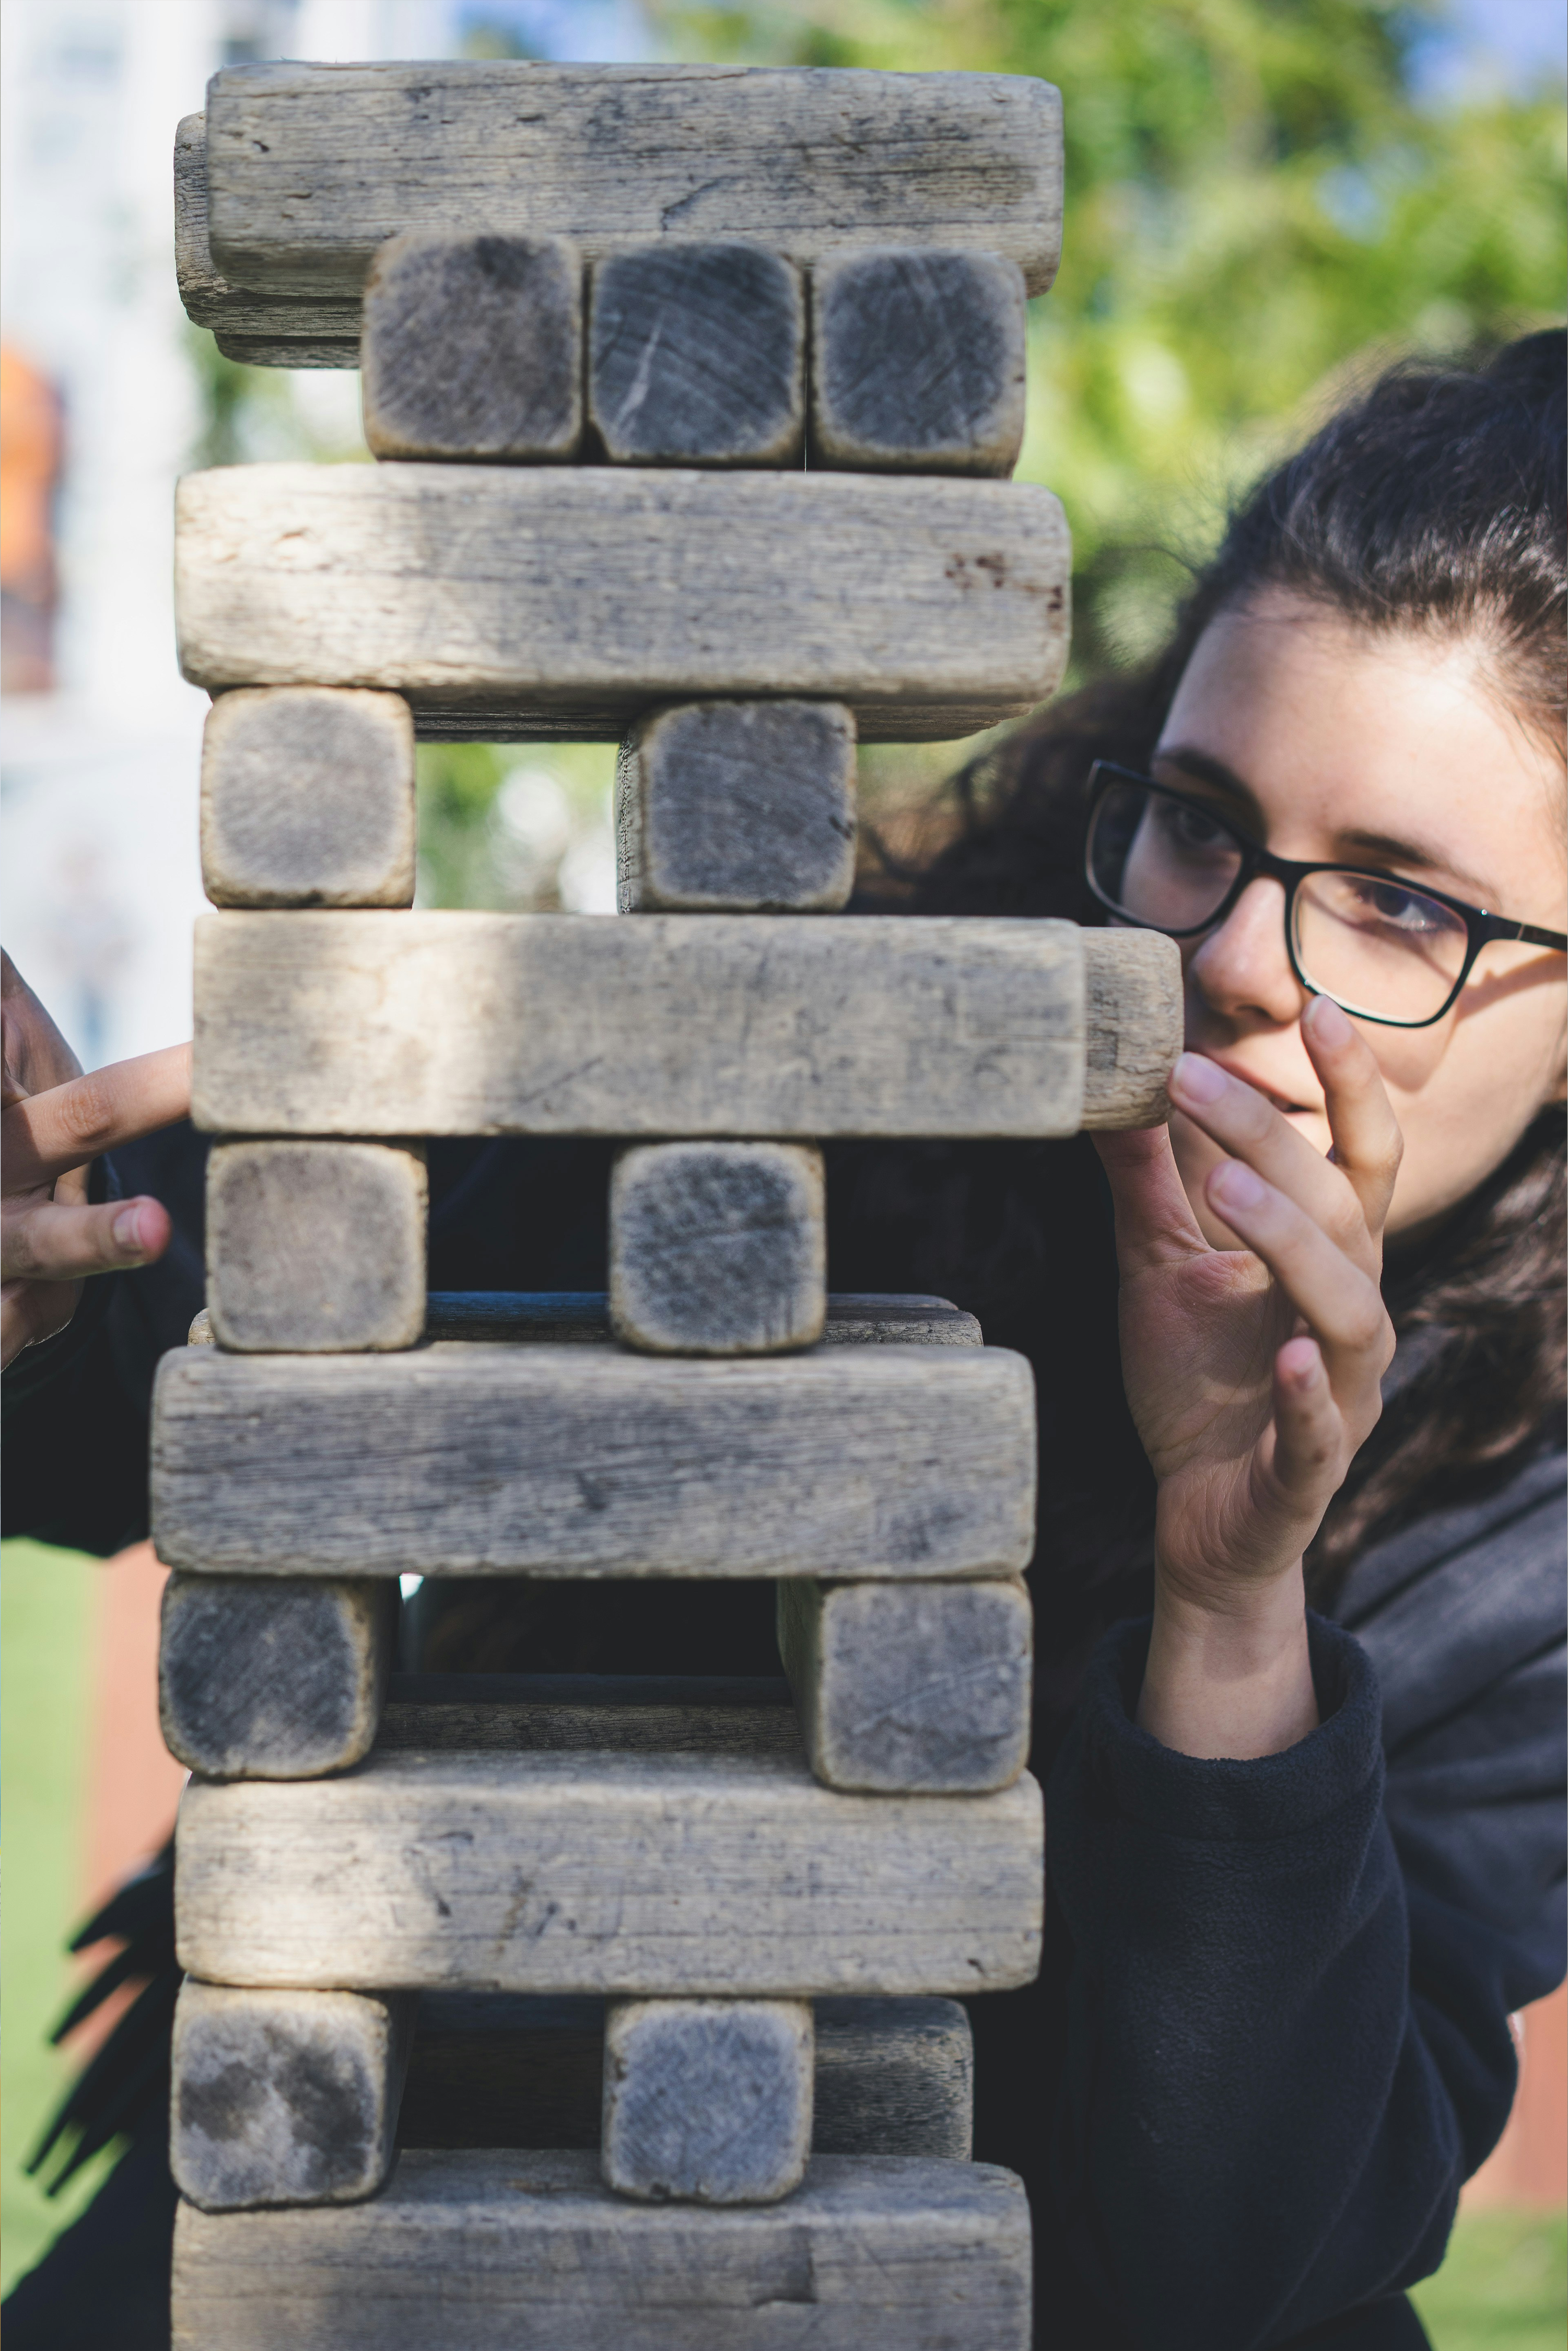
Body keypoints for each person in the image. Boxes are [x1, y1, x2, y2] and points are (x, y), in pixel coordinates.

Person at [3, 331, 1563, 2351]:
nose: (1238, 958)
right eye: (1199, 818)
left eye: (1401, 904)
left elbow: (1246, 2245)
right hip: (429, 2142)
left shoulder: (1537, 1541)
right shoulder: (838, 1032)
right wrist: (44, 1273)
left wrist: (1231, 1594)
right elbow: (172, 1361)